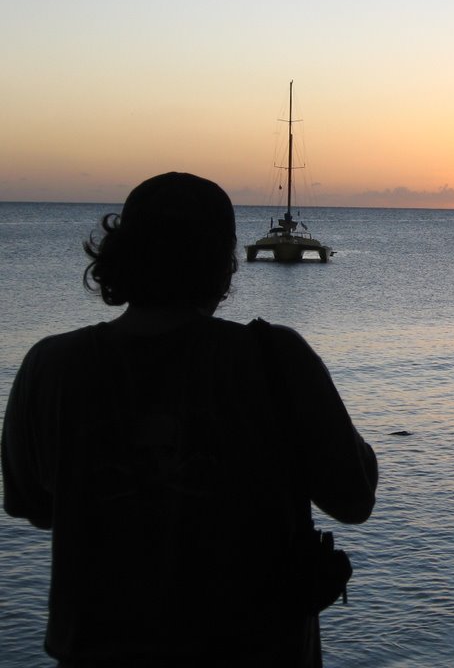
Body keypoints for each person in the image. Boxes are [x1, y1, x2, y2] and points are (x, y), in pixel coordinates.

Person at [1, 172, 378, 668]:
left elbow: (36, 506)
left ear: (120, 251)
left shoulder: (50, 365)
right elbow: (353, 499)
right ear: (224, 264)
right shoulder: (273, 357)